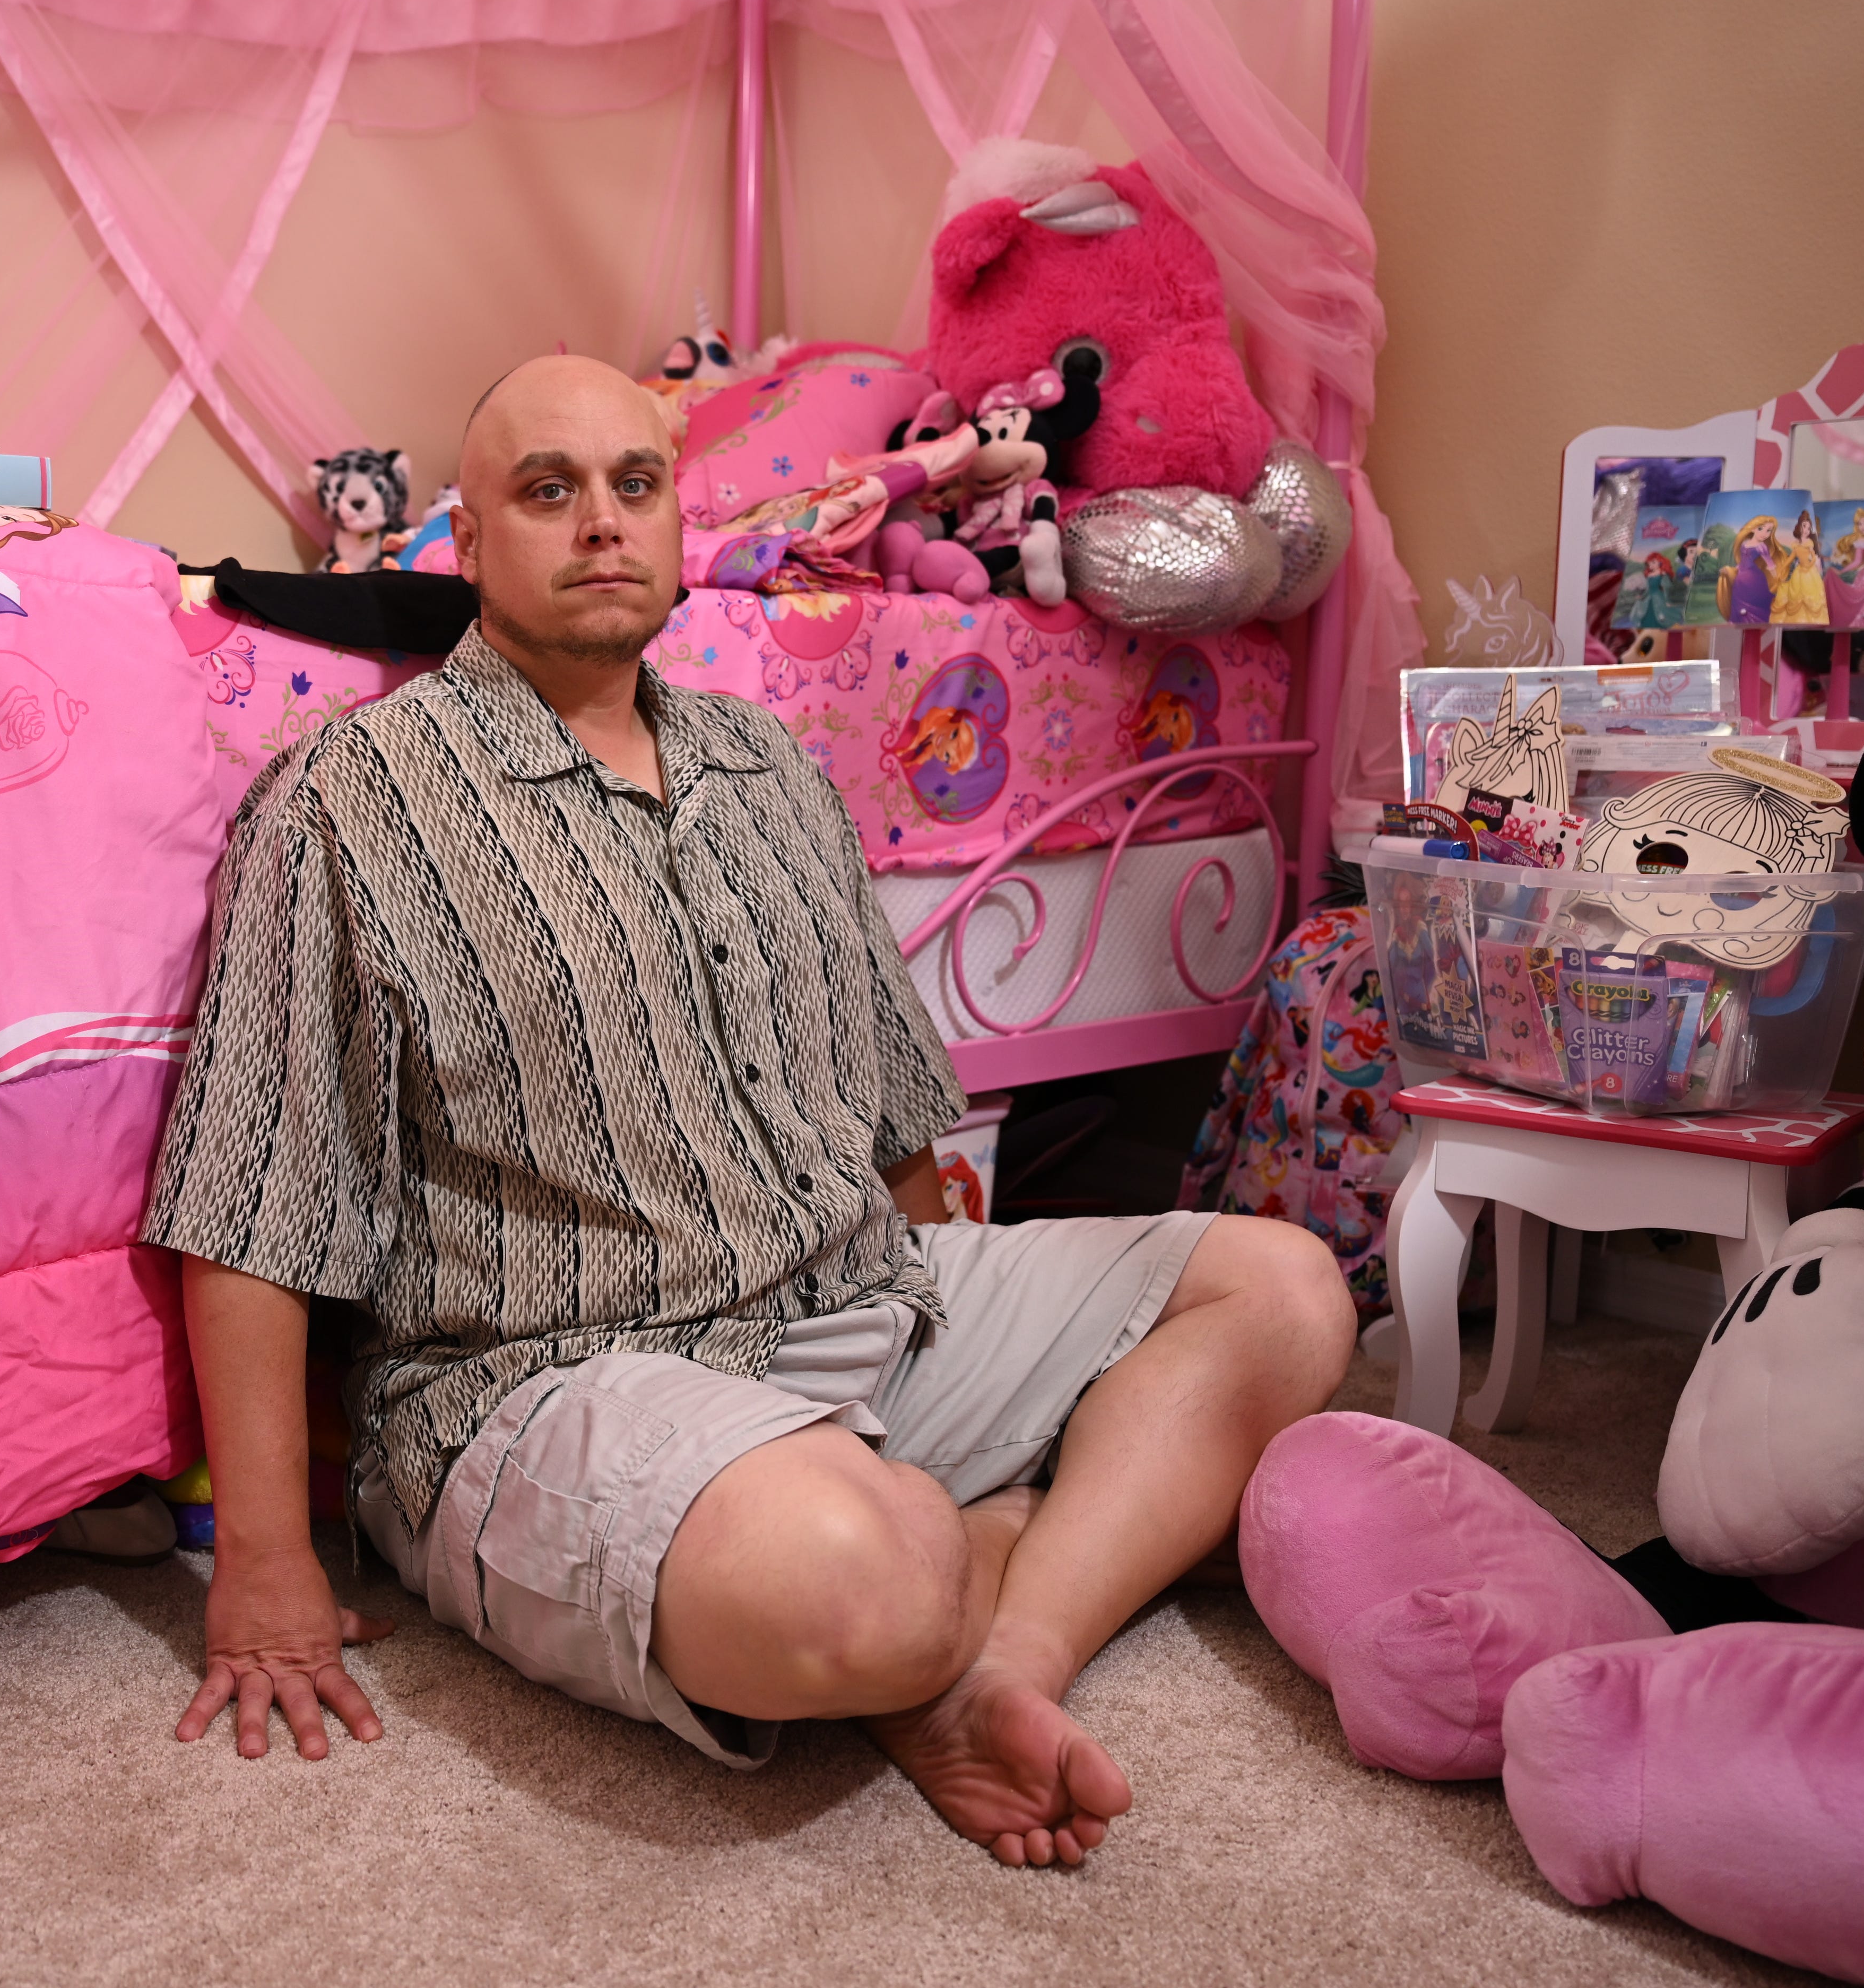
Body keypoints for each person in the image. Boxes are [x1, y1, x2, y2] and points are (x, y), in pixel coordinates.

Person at [140, 355, 1353, 1868]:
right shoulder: (349, 801)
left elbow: (896, 1118)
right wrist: (264, 1569)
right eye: (547, 490)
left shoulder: (766, 761)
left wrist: (953, 1329)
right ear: (466, 541)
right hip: (550, 1378)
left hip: (846, 1294)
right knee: (871, 1576)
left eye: (634, 486)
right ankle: (963, 1564)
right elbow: (256, 1205)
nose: (600, 524)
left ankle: (997, 1664)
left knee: (1284, 1291)